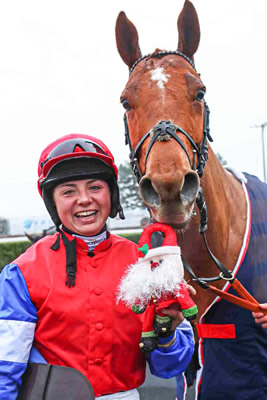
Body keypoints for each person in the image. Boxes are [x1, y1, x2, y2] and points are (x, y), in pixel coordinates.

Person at [0, 134, 195, 400]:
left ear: (111, 194)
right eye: (68, 191)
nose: (84, 199)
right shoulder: (22, 273)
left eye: (95, 187)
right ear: (53, 202)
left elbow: (170, 366)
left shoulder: (146, 264)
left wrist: (167, 332)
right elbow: (5, 367)